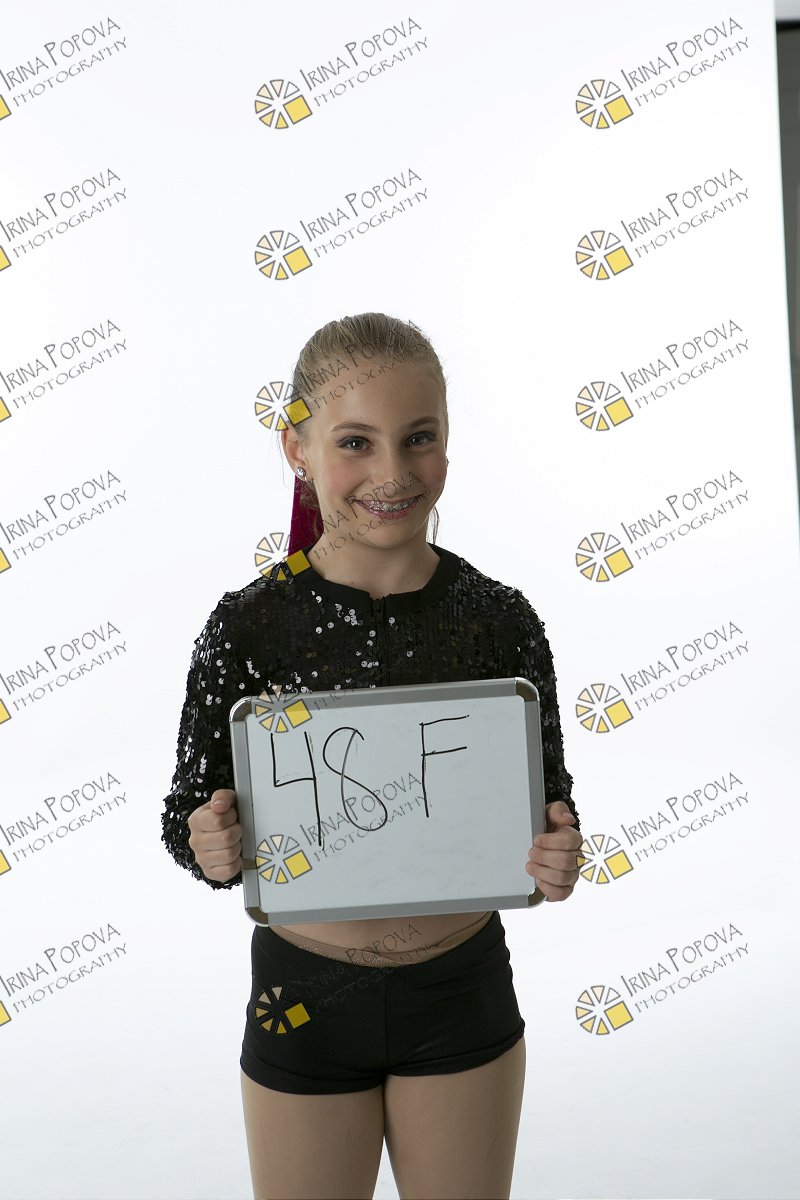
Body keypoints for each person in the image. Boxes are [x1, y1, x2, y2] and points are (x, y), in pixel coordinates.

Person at [161, 313, 583, 1200]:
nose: (392, 473)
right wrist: (210, 843)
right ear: (298, 447)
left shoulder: (499, 620)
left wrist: (557, 854)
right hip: (302, 999)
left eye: (418, 438)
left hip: (460, 992)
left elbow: (547, 805)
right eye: (356, 442)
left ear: (447, 443)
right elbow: (187, 820)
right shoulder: (248, 626)